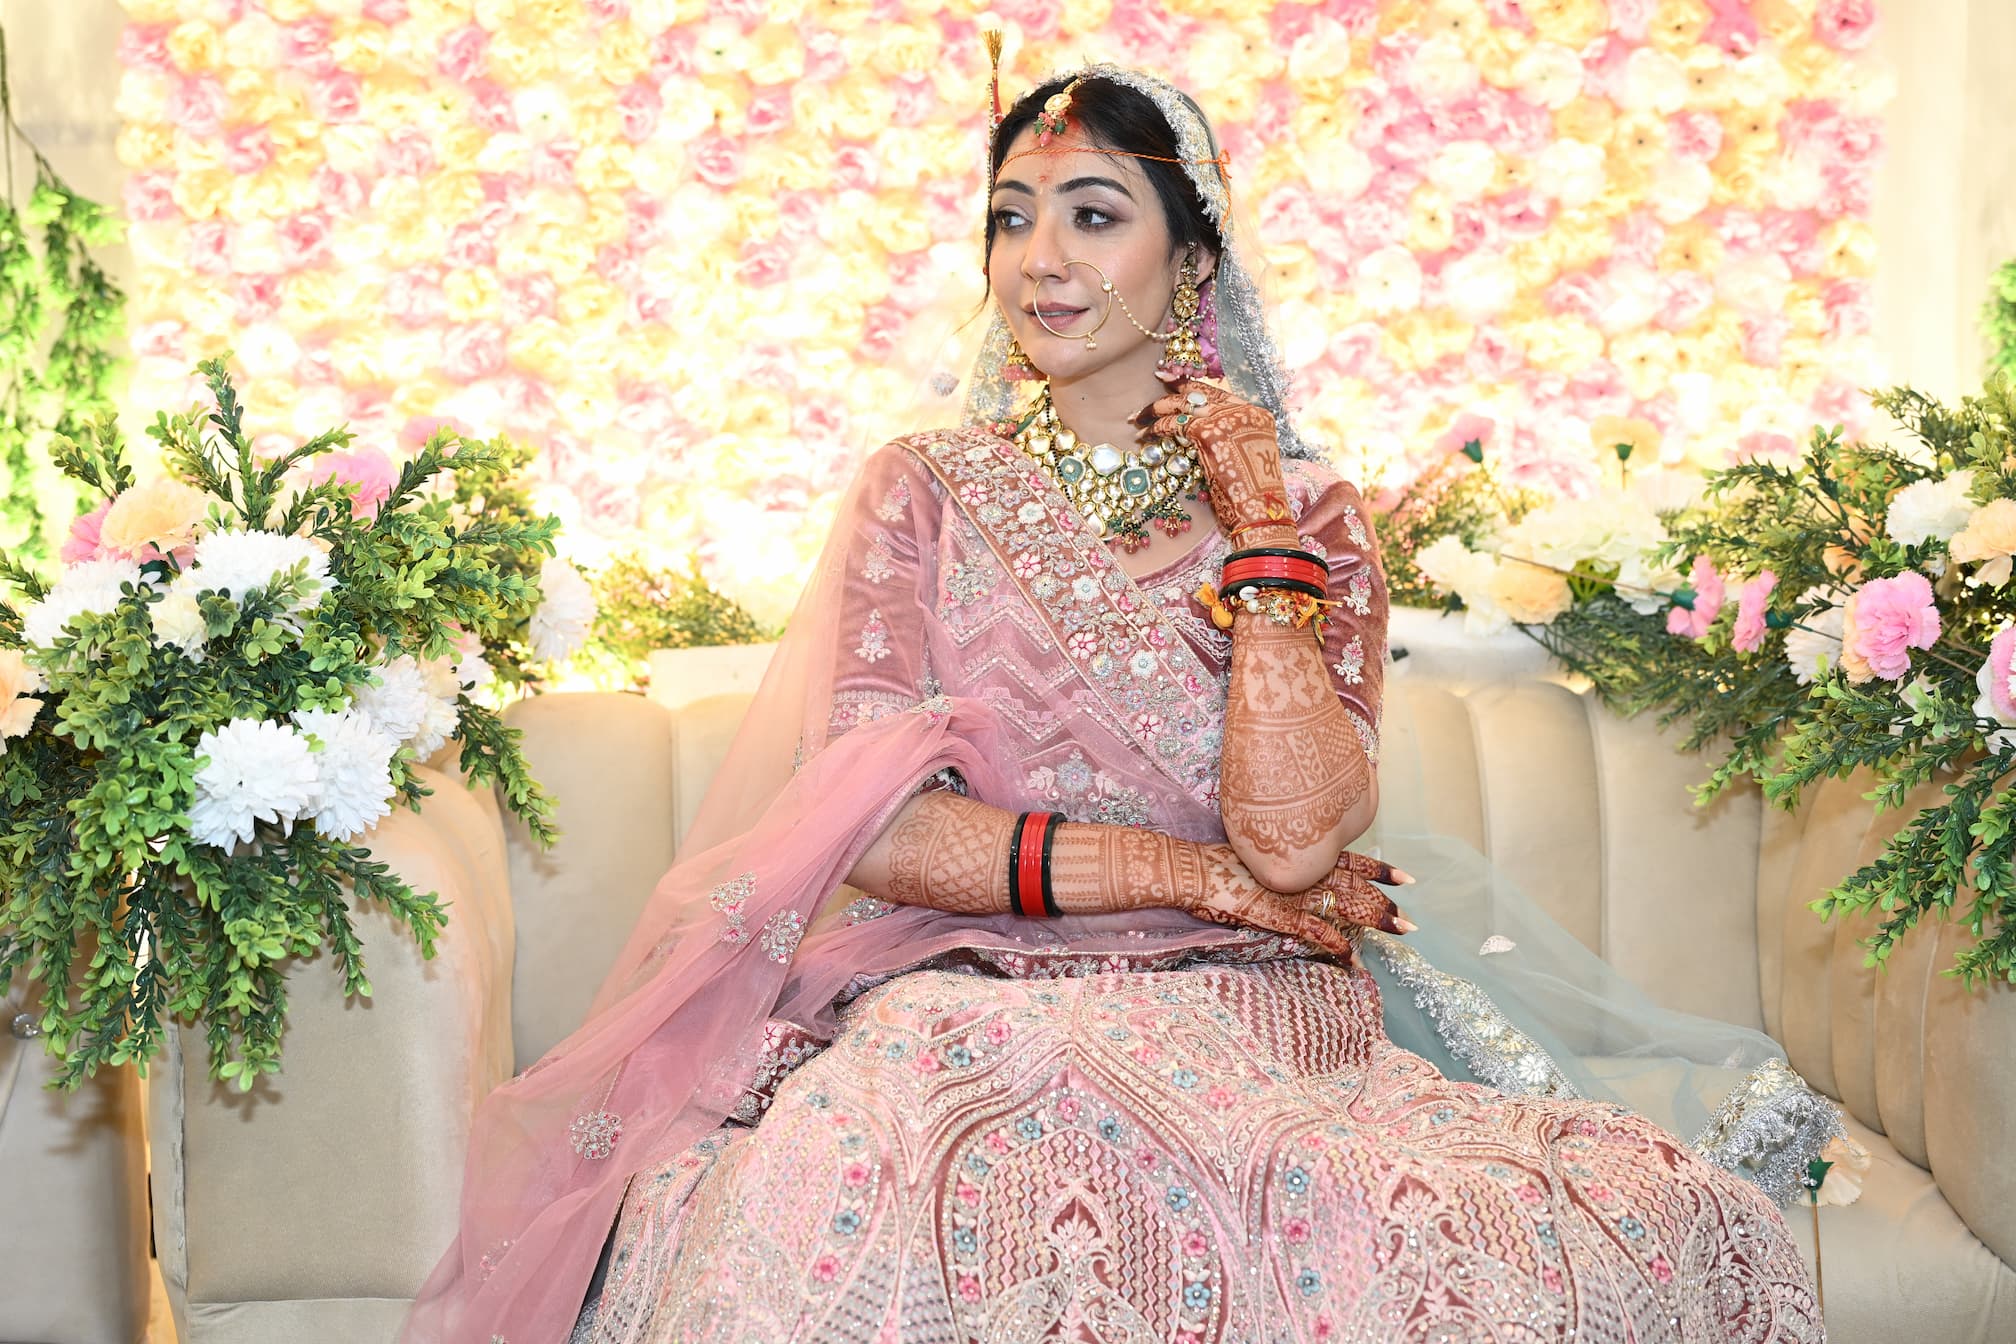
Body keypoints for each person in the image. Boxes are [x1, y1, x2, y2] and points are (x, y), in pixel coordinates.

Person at [404, 62, 1830, 1344]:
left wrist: (1257, 519)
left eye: (1093, 215)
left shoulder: (1311, 517)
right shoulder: (924, 494)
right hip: (968, 989)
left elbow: (1295, 846)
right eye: (1011, 219)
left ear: (1191, 257)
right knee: (907, 1169)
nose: (1041, 259)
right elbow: (886, 830)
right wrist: (1192, 875)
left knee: (1575, 1228)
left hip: (1251, 1009)